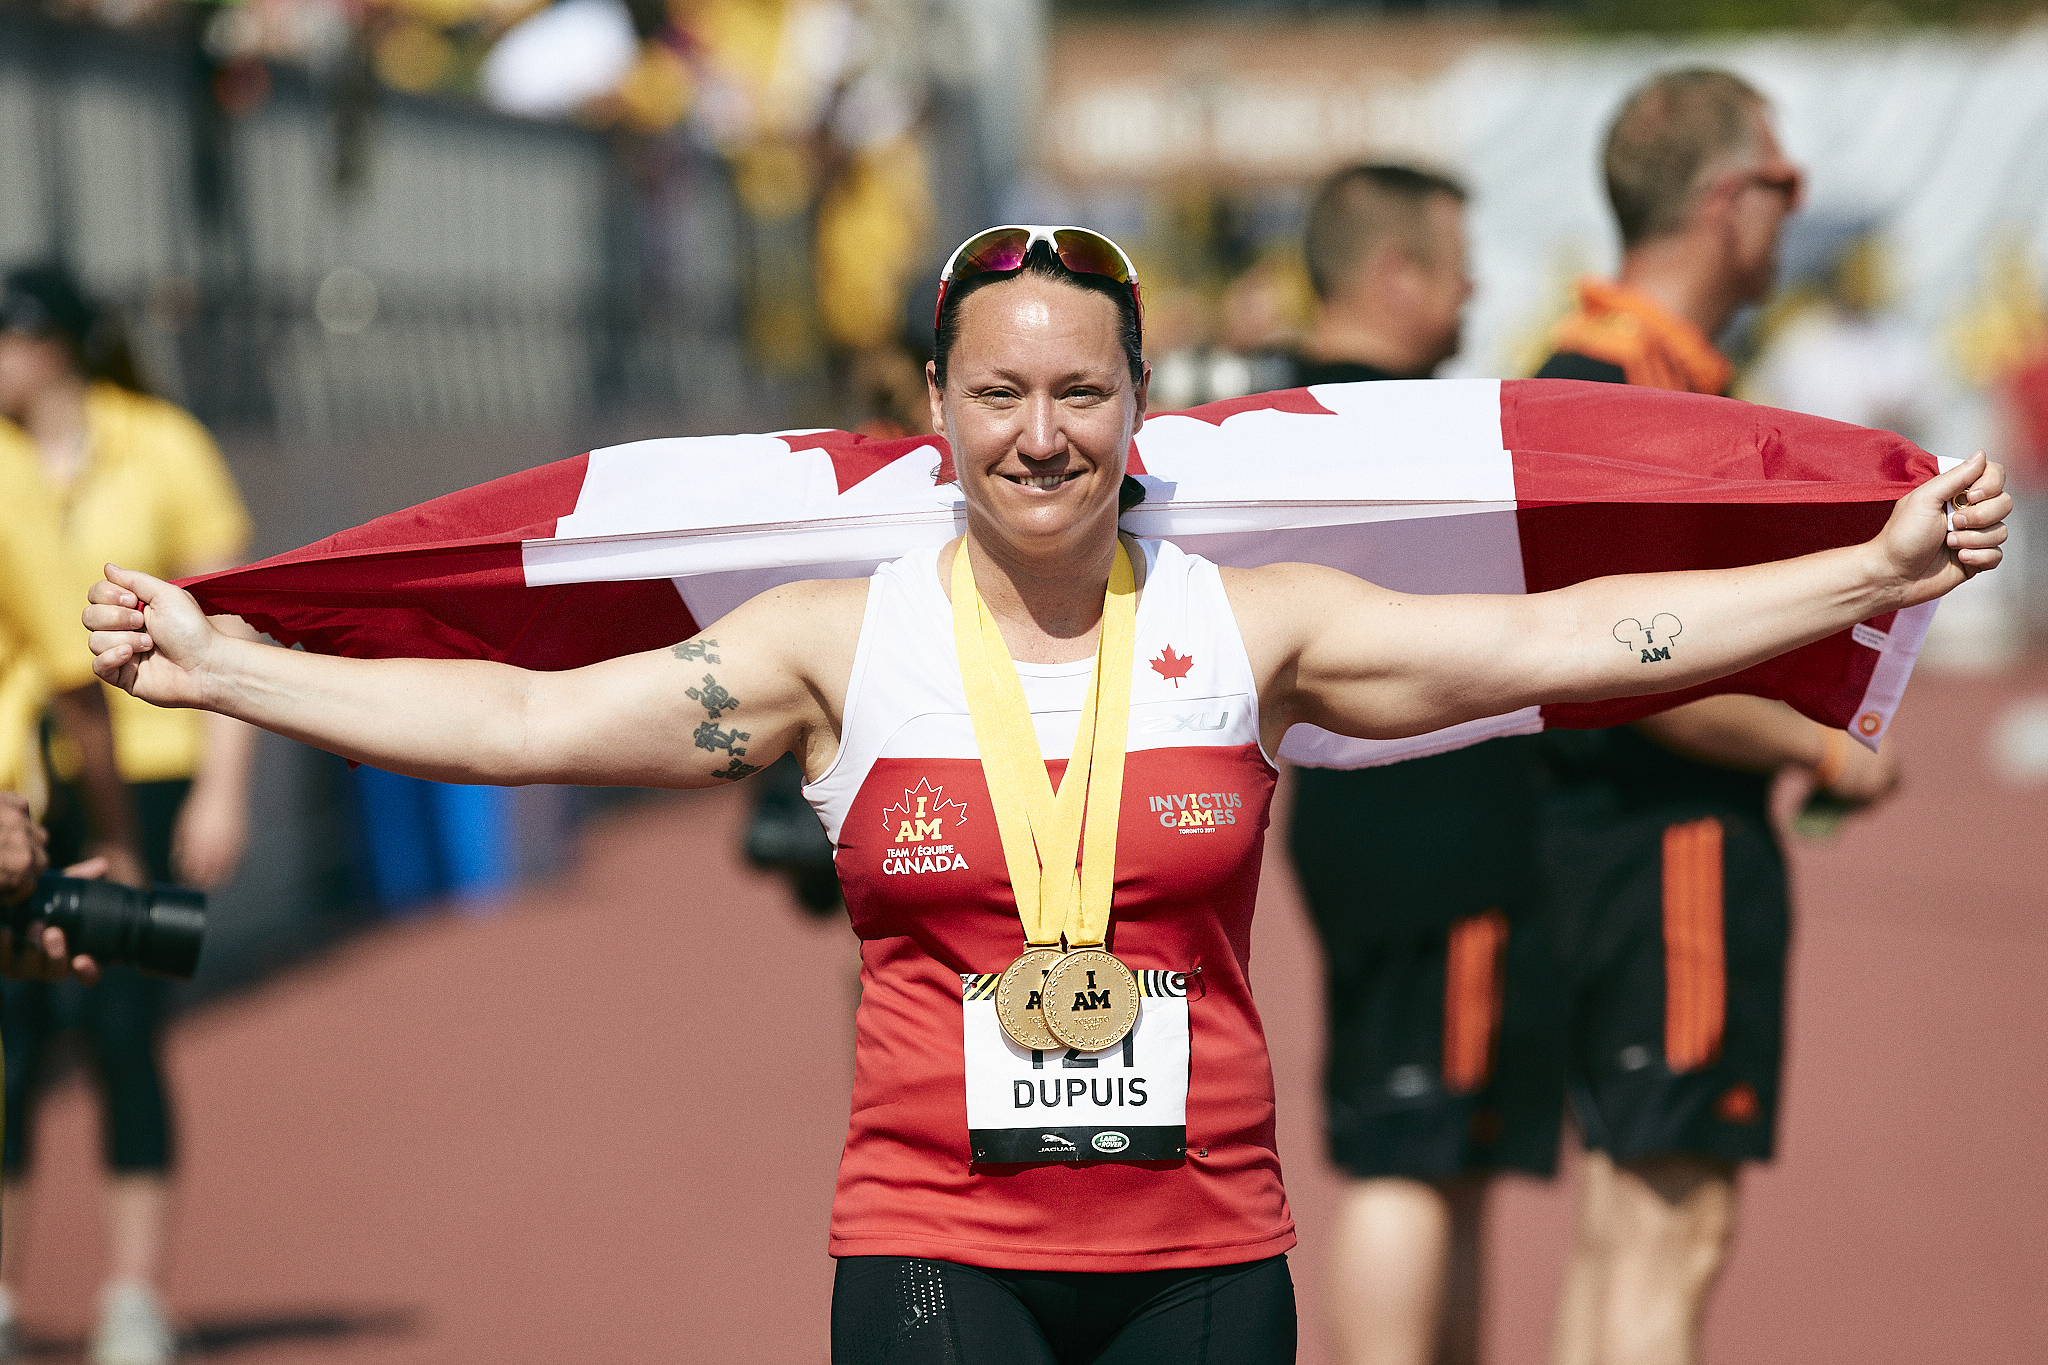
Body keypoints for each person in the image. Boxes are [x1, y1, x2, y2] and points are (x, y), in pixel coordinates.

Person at [81, 225, 2006, 1364]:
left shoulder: (1259, 626)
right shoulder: (833, 644)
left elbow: (1580, 644)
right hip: (932, 1255)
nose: (1039, 433)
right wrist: (225, 665)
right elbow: (518, 734)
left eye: (1080, 393)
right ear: (935, 407)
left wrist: (1861, 576)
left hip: (1208, 1260)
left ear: (1139, 410)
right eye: (998, 393)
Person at [1533, 70, 1905, 1365]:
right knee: (1669, 1230)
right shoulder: (1642, 404)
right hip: (1667, 852)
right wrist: (1823, 743)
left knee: (1627, 1222)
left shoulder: (1589, 377)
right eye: (1786, 186)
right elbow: (1629, 664)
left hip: (1607, 855)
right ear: (1726, 201)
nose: (1794, 217)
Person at [1277, 164, 1559, 1365]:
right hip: (1434, 835)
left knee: (1436, 1160)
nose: (1474, 286)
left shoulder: (1259, 424)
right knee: (1415, 1163)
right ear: (1393, 273)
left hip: (1356, 823)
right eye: (1454, 260)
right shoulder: (1421, 436)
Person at [0, 264, 256, 1365]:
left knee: (123, 1030)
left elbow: (233, 617)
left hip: (145, 769)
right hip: (30, 772)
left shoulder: (160, 444)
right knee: (11, 1042)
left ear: (57, 343)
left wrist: (226, 781)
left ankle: (133, 1297)